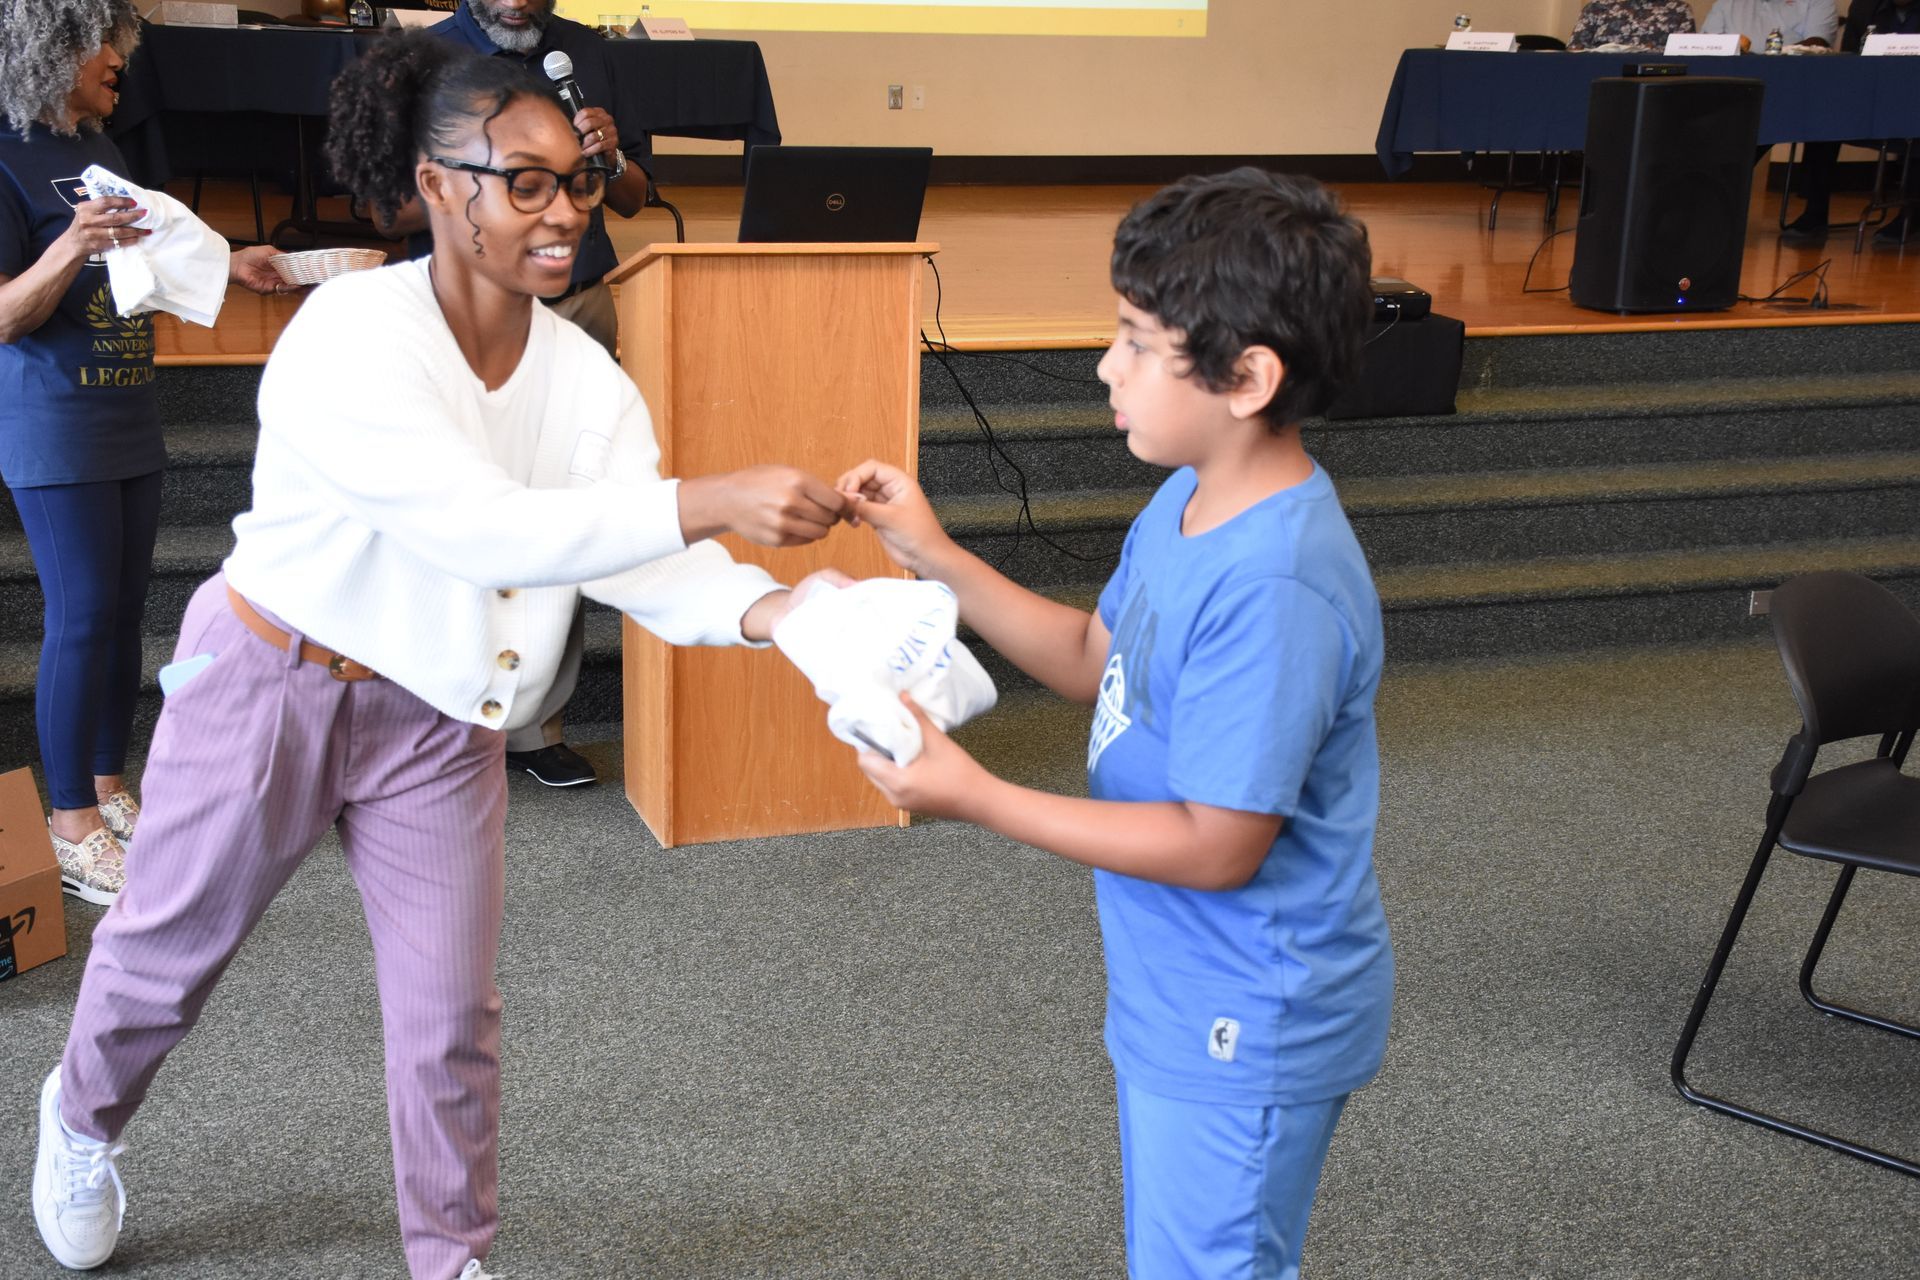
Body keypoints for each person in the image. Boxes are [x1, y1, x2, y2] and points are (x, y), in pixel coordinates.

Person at [32, 33, 846, 1280]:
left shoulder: (583, 378)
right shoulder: (352, 332)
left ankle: (452, 1255)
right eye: (522, 180)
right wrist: (715, 493)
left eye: (573, 178)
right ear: (434, 184)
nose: (563, 208)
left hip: (439, 711)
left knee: (450, 1014)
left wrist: (782, 614)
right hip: (276, 681)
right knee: (162, 960)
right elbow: (482, 524)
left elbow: (626, 551)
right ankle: (80, 1118)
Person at [839, 169, 1394, 1280]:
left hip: (1248, 1002)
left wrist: (978, 794)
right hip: (1178, 979)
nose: (1106, 365)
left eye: (1138, 341)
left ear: (1248, 377)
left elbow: (1217, 843)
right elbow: (1101, 662)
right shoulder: (1189, 495)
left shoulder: (1276, 579)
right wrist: (934, 554)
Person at [0, 0, 284, 907]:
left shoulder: (101, 152)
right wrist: (71, 249)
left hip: (128, 406)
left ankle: (109, 791)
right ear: (46, 48)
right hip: (52, 421)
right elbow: (7, 313)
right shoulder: (4, 155)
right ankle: (70, 824)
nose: (116, 59)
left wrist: (235, 263)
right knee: (80, 615)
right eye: (97, 43)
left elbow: (158, 262)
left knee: (123, 614)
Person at [416, 0, 658, 789]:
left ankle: (539, 726)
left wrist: (611, 156)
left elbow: (632, 198)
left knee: (568, 509)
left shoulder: (587, 54)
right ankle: (443, 721)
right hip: (475, 311)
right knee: (465, 508)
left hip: (580, 299)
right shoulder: (429, 57)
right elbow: (390, 201)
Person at [1781, 0, 1920, 245]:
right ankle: (1815, 213)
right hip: (1873, 99)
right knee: (1823, 119)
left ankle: (1912, 216)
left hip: (1915, 102)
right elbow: (1850, 64)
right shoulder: (1865, 8)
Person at [1699, 0, 1841, 46]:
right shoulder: (1726, 3)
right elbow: (1707, 45)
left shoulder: (1818, 2)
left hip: (1791, 79)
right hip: (1735, 82)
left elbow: (1817, 44)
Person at [1568, 0, 1697, 49]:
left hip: (1658, 80)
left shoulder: (1679, 9)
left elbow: (1686, 54)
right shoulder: (1597, 7)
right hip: (1602, 76)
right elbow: (1574, 51)